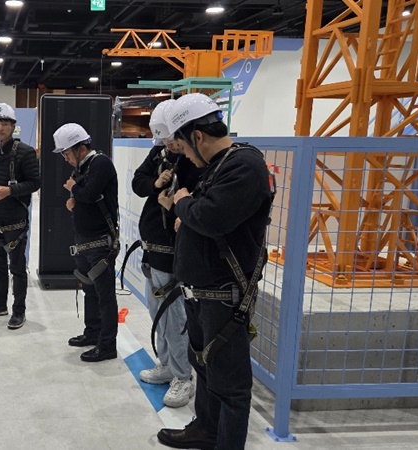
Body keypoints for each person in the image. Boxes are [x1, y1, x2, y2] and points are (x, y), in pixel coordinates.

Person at [156, 93, 272, 450]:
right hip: (201, 295)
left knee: (231, 386)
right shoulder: (219, 166)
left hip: (224, 297)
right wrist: (189, 214)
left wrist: (182, 204)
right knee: (204, 368)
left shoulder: (245, 166)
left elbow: (209, 216)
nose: (187, 157)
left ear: (198, 136)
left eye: (185, 148)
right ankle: (206, 430)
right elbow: (203, 214)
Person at [129, 100, 198, 408]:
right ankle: (168, 364)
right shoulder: (161, 154)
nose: (169, 145)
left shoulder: (194, 161)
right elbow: (138, 182)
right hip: (152, 250)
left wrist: (175, 207)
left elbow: (196, 205)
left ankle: (183, 376)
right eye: (165, 140)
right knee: (157, 313)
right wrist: (155, 183)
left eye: (172, 139)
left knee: (174, 317)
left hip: (174, 251)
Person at [53, 123, 119, 363]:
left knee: (105, 295)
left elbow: (89, 194)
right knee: (89, 289)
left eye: (66, 153)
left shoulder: (100, 164)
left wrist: (74, 189)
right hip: (85, 240)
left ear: (81, 147)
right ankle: (92, 332)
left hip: (100, 241)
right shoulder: (83, 167)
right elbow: (84, 197)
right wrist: (74, 202)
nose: (66, 159)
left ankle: (107, 345)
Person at [0, 102, 40, 329]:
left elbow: (35, 183)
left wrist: (10, 190)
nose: (0, 128)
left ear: (13, 126)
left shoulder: (25, 152)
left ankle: (19, 310)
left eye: (5, 124)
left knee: (18, 269)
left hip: (15, 221)